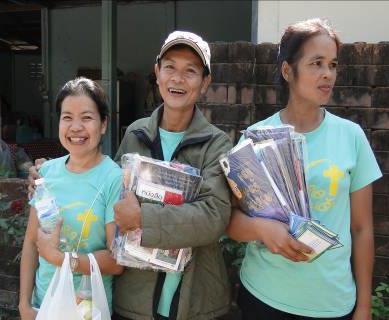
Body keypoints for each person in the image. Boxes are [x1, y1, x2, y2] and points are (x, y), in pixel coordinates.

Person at [226, 18, 382, 320]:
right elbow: (230, 221)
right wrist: (261, 228)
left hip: (332, 302)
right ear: (288, 70)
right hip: (264, 297)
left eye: (333, 65)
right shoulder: (255, 137)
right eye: (316, 63)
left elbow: (362, 229)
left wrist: (363, 307)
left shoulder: (351, 137)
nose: (328, 75)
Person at [112, 31, 232, 320]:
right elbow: (108, 189)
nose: (178, 79)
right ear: (157, 73)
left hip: (194, 301)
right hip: (134, 299)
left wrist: (142, 218)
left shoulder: (217, 143)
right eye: (170, 67)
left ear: (205, 83)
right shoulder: (135, 133)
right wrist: (53, 177)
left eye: (190, 71)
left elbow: (213, 216)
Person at [19, 77, 123, 320]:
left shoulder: (113, 179)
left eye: (86, 117)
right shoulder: (46, 173)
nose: (76, 127)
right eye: (67, 117)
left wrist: (61, 259)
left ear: (104, 124)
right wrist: (24, 304)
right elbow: (31, 243)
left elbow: (116, 261)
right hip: (42, 305)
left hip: (87, 310)